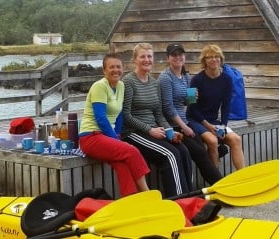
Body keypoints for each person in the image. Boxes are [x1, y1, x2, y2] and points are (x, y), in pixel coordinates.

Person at [121, 43, 193, 198]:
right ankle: (178, 201)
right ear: (135, 60)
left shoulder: (155, 83)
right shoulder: (128, 82)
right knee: (170, 155)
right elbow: (126, 116)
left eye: (149, 56)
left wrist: (170, 131)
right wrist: (150, 130)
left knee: (183, 150)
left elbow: (159, 114)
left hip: (155, 129)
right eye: (142, 56)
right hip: (133, 132)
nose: (147, 60)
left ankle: (190, 196)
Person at [79, 53, 150, 197]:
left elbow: (119, 115)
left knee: (123, 164)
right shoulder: (99, 86)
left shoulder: (121, 86)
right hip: (91, 137)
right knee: (132, 151)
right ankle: (147, 193)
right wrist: (115, 139)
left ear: (123, 69)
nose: (115, 70)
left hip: (106, 137)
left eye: (118, 67)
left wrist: (116, 135)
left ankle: (130, 200)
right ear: (104, 70)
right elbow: (100, 118)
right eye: (111, 67)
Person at [158, 43, 223, 185]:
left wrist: (192, 98)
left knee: (202, 152)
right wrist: (184, 126)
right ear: (168, 58)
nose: (178, 57)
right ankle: (220, 184)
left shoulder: (186, 76)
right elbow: (167, 107)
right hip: (172, 126)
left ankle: (218, 184)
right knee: (199, 154)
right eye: (174, 55)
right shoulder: (165, 78)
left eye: (180, 54)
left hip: (184, 122)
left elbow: (188, 103)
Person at [186, 44, 245, 170]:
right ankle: (216, 179)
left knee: (236, 139)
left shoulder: (227, 79)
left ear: (221, 59)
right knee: (212, 141)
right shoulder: (195, 80)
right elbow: (191, 108)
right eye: (209, 57)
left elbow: (226, 105)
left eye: (217, 56)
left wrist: (223, 125)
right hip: (195, 119)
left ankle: (243, 176)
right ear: (204, 61)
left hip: (213, 120)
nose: (214, 59)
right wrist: (208, 126)